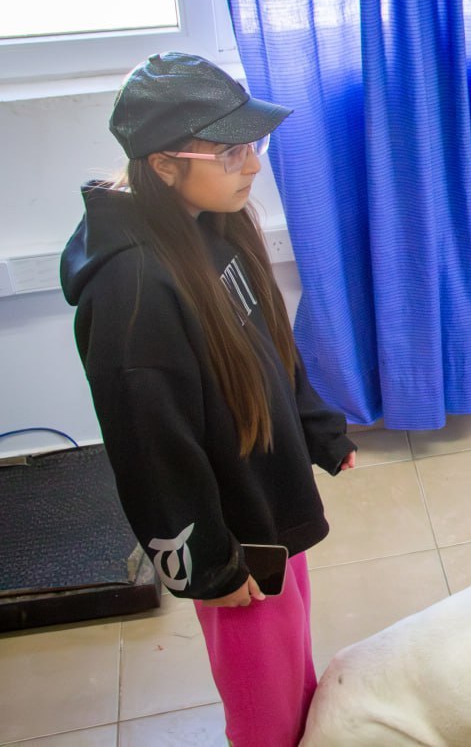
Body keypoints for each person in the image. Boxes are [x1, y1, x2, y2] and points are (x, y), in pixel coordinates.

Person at [60, 53, 358, 746]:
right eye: (229, 152)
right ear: (164, 164)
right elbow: (151, 452)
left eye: (253, 145)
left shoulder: (213, 226)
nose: (252, 165)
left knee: (292, 661)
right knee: (264, 706)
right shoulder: (132, 289)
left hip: (267, 497)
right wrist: (208, 563)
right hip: (232, 534)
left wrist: (316, 425)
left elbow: (268, 346)